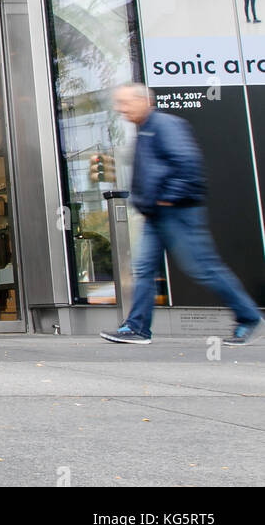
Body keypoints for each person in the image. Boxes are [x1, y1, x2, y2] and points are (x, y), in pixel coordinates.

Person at [102, 83, 263, 345]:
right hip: (156, 215)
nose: (121, 109)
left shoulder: (165, 125)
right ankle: (137, 328)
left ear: (144, 101)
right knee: (143, 269)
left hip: (177, 212)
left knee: (203, 268)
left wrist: (168, 199)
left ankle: (248, 317)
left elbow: (188, 164)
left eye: (126, 103)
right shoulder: (145, 131)